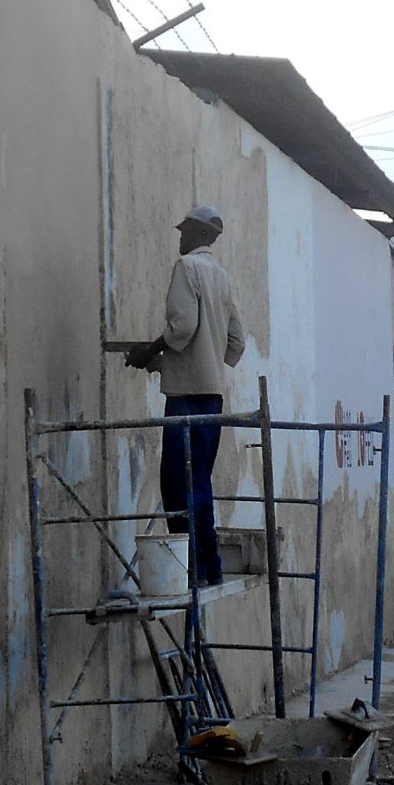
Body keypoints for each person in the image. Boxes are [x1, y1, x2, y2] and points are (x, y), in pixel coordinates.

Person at [118, 203, 247, 583]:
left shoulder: (187, 269)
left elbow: (182, 328)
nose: (181, 237)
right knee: (199, 482)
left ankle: (188, 569)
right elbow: (236, 343)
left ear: (201, 235)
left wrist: (151, 351)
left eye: (186, 231)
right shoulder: (222, 277)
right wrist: (199, 358)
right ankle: (210, 567)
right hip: (213, 397)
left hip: (186, 398)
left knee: (176, 483)